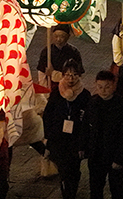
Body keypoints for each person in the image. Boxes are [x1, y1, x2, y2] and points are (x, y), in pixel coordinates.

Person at [43, 59, 90, 199]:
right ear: (63, 75)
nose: (71, 78)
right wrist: (48, 136)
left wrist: (84, 143)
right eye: (68, 75)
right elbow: (48, 115)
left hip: (76, 139)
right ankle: (66, 192)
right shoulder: (57, 93)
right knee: (63, 169)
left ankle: (71, 190)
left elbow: (88, 120)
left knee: (74, 169)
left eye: (74, 75)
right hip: (59, 138)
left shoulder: (84, 95)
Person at [86, 70, 123, 199]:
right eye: (100, 87)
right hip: (96, 155)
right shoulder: (92, 103)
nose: (103, 91)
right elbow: (86, 127)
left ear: (114, 85)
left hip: (114, 154)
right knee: (95, 188)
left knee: (116, 188)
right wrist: (84, 147)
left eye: (107, 87)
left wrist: (120, 158)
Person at [37, 24, 84, 90]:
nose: (58, 39)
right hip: (51, 86)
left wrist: (53, 74)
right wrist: (44, 90)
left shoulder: (74, 52)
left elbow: (77, 75)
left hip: (68, 87)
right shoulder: (47, 51)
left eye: (62, 36)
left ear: (68, 37)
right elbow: (42, 73)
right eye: (56, 36)